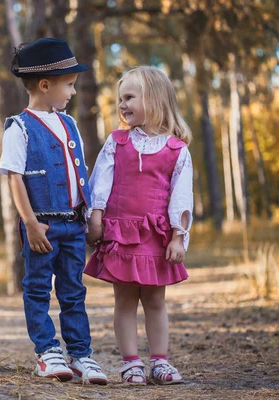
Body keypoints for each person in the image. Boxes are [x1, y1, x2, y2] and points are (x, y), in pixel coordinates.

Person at [0, 38, 108, 384]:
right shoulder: (19, 127)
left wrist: (90, 214)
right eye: (69, 85)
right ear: (45, 85)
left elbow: (80, 174)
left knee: (74, 289)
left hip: (73, 225)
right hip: (42, 226)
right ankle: (47, 352)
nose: (73, 92)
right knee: (37, 288)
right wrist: (30, 223)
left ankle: (81, 354)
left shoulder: (70, 124)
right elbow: (14, 178)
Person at [85, 66, 193, 385]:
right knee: (125, 300)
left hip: (156, 237)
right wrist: (95, 217)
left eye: (129, 97)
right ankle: (131, 363)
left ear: (154, 99)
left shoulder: (176, 149)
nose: (122, 105)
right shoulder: (117, 142)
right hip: (121, 233)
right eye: (121, 99)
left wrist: (178, 237)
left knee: (156, 300)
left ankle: (160, 362)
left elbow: (181, 197)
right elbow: (100, 182)